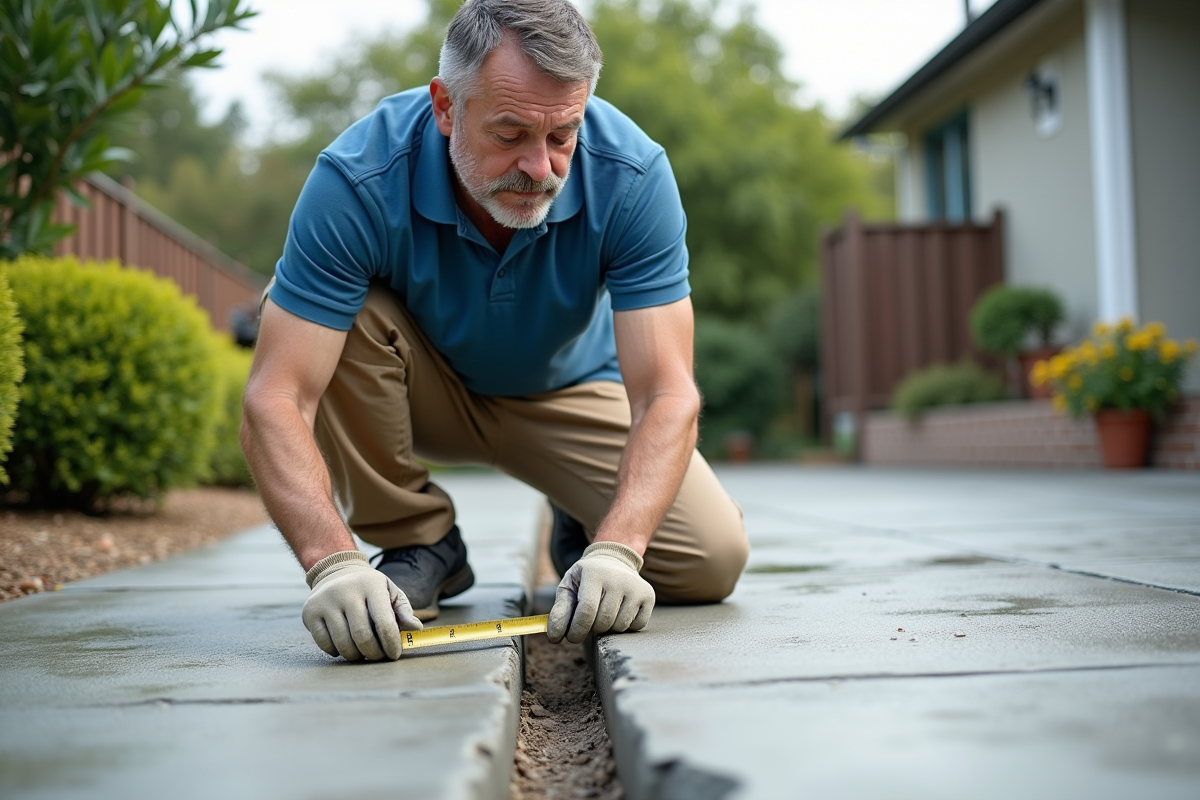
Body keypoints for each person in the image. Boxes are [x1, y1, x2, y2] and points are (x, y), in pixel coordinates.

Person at [240, 0, 748, 662]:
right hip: (419, 387)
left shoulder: (633, 176)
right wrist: (330, 562)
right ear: (446, 107)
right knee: (331, 312)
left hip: (568, 393)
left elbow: (666, 393)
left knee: (710, 561)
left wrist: (621, 547)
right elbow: (274, 399)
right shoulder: (356, 179)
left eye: (562, 135)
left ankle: (584, 521)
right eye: (509, 135)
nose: (540, 168)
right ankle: (420, 541)